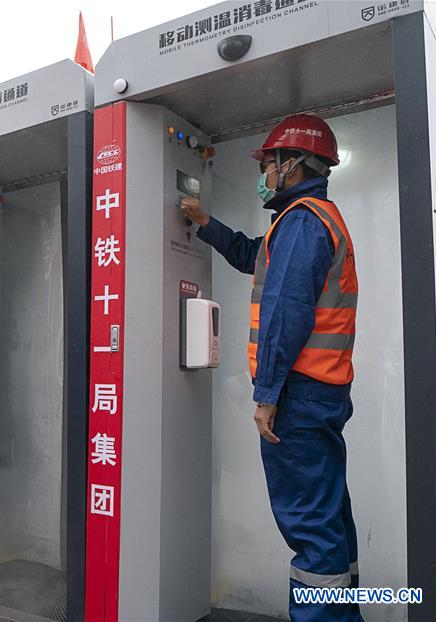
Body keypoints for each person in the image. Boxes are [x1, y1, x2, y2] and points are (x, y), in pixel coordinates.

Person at [180, 114, 362, 622]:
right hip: (320, 392)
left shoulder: (304, 222)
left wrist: (266, 397)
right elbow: (251, 257)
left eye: (269, 163)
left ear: (294, 165)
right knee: (327, 515)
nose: (265, 173)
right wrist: (204, 223)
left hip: (298, 398)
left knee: (308, 522)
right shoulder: (310, 220)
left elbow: (284, 314)